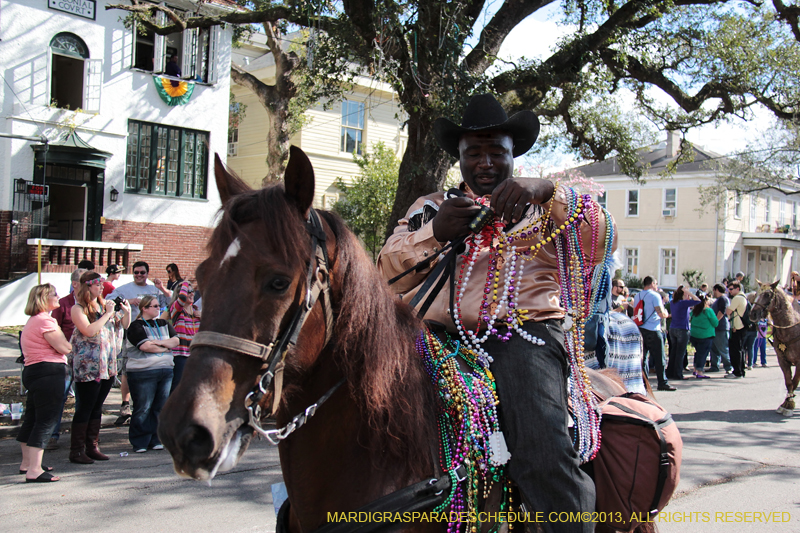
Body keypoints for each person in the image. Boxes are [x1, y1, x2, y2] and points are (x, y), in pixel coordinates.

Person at [377, 94, 615, 533]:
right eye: (474, 153)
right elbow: (386, 271)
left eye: (496, 152)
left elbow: (600, 240)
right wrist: (435, 232)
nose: (485, 162)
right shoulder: (430, 207)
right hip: (435, 339)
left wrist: (549, 191)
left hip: (522, 337)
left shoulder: (545, 206)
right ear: (460, 158)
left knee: (541, 446)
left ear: (513, 155)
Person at [69, 272, 131, 464]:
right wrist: (107, 314)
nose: (101, 288)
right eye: (97, 285)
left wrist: (126, 312)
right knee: (85, 407)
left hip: (106, 364)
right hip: (88, 367)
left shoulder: (105, 306)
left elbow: (123, 326)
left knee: (97, 407)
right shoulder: (78, 308)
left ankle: (93, 446)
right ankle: (77, 450)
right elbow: (88, 330)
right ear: (87, 286)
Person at [17, 284, 71, 482]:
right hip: (48, 372)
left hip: (35, 372)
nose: (58, 297)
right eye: (54, 294)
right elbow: (64, 347)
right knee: (46, 420)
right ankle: (34, 470)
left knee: (32, 417)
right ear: (43, 298)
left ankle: (28, 464)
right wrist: (66, 344)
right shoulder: (45, 321)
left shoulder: (34, 320)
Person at [107, 261, 171, 422]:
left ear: (147, 273)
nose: (139, 275)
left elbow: (171, 302)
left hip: (154, 332)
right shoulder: (124, 288)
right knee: (129, 369)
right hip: (133, 331)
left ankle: (150, 404)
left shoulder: (153, 289)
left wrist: (162, 288)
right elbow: (108, 301)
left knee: (154, 368)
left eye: (142, 272)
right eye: (136, 272)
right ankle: (125, 403)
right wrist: (129, 300)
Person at [125, 294, 178, 452]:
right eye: (154, 306)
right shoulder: (136, 326)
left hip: (165, 370)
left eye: (158, 306)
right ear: (144, 308)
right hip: (143, 372)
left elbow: (175, 341)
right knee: (143, 407)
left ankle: (156, 439)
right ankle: (140, 441)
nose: (158, 309)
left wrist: (160, 343)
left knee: (160, 407)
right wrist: (165, 347)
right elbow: (146, 347)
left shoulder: (163, 323)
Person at [48, 267, 86, 450]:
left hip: (86, 360)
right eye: (85, 282)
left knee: (84, 398)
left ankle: (82, 436)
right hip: (66, 358)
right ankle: (51, 435)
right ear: (75, 284)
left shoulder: (92, 304)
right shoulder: (63, 304)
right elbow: (54, 330)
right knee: (59, 396)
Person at [634, 277, 675, 391]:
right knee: (659, 358)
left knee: (643, 358)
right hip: (653, 329)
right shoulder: (655, 295)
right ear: (652, 284)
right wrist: (666, 313)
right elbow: (661, 313)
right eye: (656, 283)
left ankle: (644, 383)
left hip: (640, 329)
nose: (656, 286)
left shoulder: (637, 296)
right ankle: (662, 382)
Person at [162, 280, 200, 393]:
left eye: (192, 291)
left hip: (194, 355)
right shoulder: (176, 310)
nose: (192, 294)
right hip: (180, 355)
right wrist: (186, 283)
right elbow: (182, 298)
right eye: (188, 291)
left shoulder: (197, 311)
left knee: (193, 387)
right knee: (177, 387)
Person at [666, 285, 701, 380]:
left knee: (673, 351)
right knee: (680, 353)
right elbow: (698, 301)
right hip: (682, 329)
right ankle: (678, 374)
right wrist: (689, 293)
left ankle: (670, 372)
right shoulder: (683, 303)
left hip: (673, 328)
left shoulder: (673, 302)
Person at [690, 294, 719, 379]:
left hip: (695, 334)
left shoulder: (694, 311)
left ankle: (695, 369)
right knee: (703, 354)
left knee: (698, 352)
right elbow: (715, 323)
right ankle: (700, 371)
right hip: (706, 334)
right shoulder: (708, 311)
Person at [725, 280, 748, 379]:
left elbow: (728, 311)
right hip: (742, 326)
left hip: (737, 326)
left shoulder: (737, 298)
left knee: (735, 350)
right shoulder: (744, 297)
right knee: (740, 349)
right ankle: (741, 370)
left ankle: (737, 372)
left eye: (731, 289)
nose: (729, 291)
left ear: (737, 289)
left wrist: (727, 309)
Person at [709, 284, 732, 373]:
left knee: (723, 348)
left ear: (717, 290)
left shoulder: (723, 299)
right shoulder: (719, 299)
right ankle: (714, 366)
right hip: (716, 328)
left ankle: (728, 367)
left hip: (721, 327)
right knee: (714, 348)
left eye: (714, 290)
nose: (713, 292)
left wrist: (715, 321)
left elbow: (721, 312)